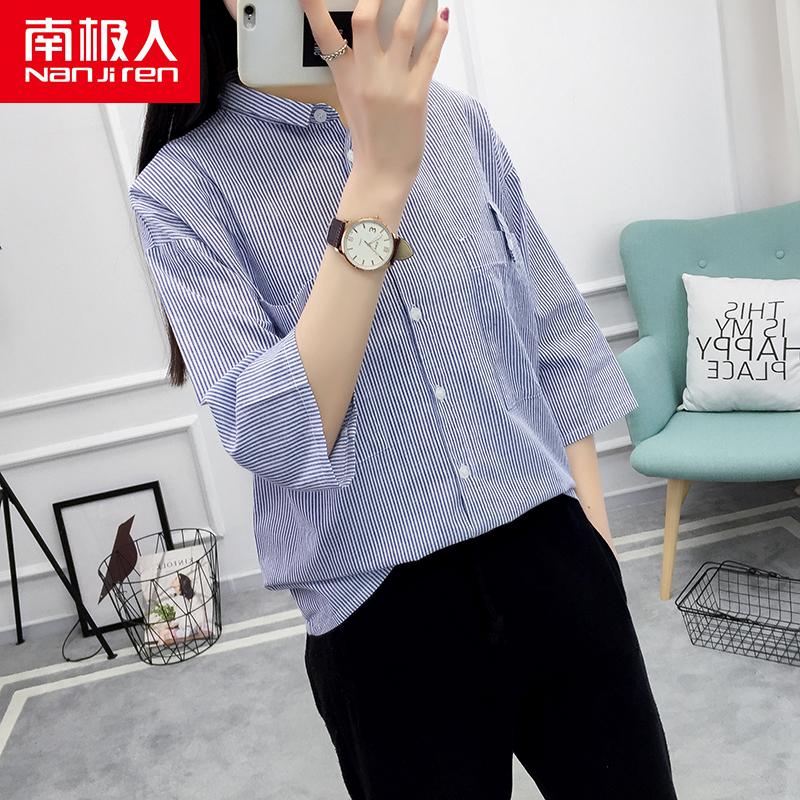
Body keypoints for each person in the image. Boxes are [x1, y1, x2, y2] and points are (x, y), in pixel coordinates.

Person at [128, 0, 678, 797]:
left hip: (554, 560)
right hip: (381, 619)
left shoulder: (457, 122)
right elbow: (280, 432)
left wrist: (594, 548)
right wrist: (378, 182)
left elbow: (553, 335)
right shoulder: (183, 190)